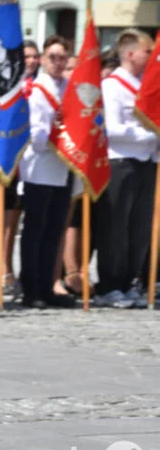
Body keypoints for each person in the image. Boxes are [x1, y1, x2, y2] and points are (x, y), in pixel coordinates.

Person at [94, 30, 156, 309]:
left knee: (139, 229)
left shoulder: (148, 85)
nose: (152, 56)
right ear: (130, 54)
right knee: (115, 228)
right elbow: (112, 128)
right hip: (120, 162)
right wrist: (148, 136)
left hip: (145, 163)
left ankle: (129, 281)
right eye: (147, 52)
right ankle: (109, 285)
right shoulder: (112, 86)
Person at [18, 36, 74, 309]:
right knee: (35, 231)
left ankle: (48, 284)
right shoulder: (37, 89)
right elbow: (37, 136)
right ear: (42, 58)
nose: (57, 62)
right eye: (52, 56)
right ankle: (31, 289)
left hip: (63, 166)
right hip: (39, 167)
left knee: (54, 231)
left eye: (62, 57)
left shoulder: (69, 87)